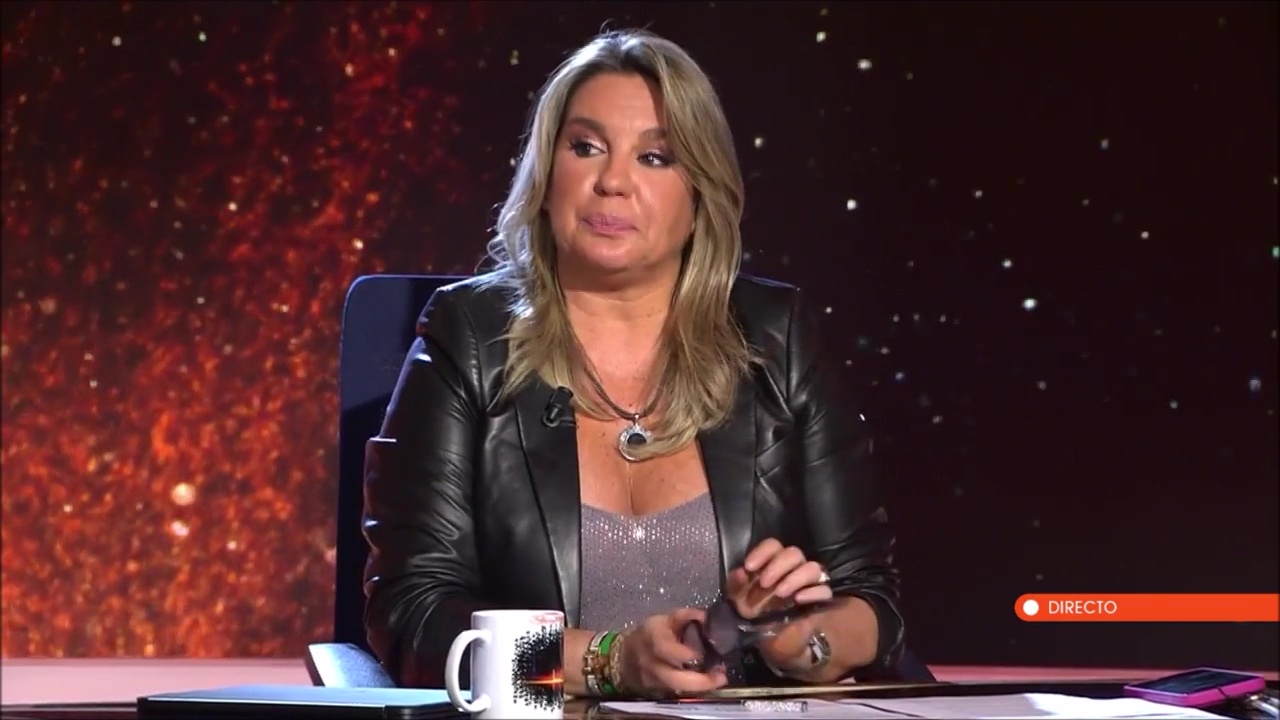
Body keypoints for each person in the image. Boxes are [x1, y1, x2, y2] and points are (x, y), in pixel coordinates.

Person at [362, 28, 906, 698]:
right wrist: (605, 663)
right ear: (546, 174)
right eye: (585, 147)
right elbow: (410, 617)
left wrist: (799, 644)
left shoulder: (776, 339)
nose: (612, 182)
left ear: (700, 194)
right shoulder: (469, 339)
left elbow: (871, 601)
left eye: (655, 157)